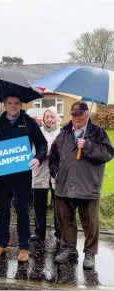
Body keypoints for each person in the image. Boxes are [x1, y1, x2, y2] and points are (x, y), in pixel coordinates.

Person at [49, 101, 113, 269]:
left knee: (90, 222)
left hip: (88, 186)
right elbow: (53, 154)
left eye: (80, 114)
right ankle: (69, 248)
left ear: (87, 114)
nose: (77, 117)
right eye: (74, 114)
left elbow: (107, 154)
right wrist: (55, 171)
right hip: (64, 186)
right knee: (65, 220)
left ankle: (90, 253)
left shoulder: (97, 133)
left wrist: (89, 146)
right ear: (71, 115)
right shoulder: (63, 133)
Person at [0, 94, 47, 263]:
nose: (13, 106)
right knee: (2, 211)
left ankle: (24, 247)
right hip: (2, 175)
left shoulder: (28, 122)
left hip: (22, 175)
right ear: (4, 105)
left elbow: (42, 144)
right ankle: (1, 244)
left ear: (21, 104)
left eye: (17, 103)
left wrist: (38, 158)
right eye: (10, 103)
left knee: (23, 211)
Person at [31, 106, 61, 243]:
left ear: (56, 118)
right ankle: (39, 231)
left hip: (57, 172)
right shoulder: (38, 131)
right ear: (43, 118)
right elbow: (32, 150)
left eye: (52, 116)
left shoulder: (62, 133)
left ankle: (59, 232)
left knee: (59, 204)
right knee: (39, 204)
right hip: (40, 171)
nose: (49, 119)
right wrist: (40, 154)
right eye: (46, 117)